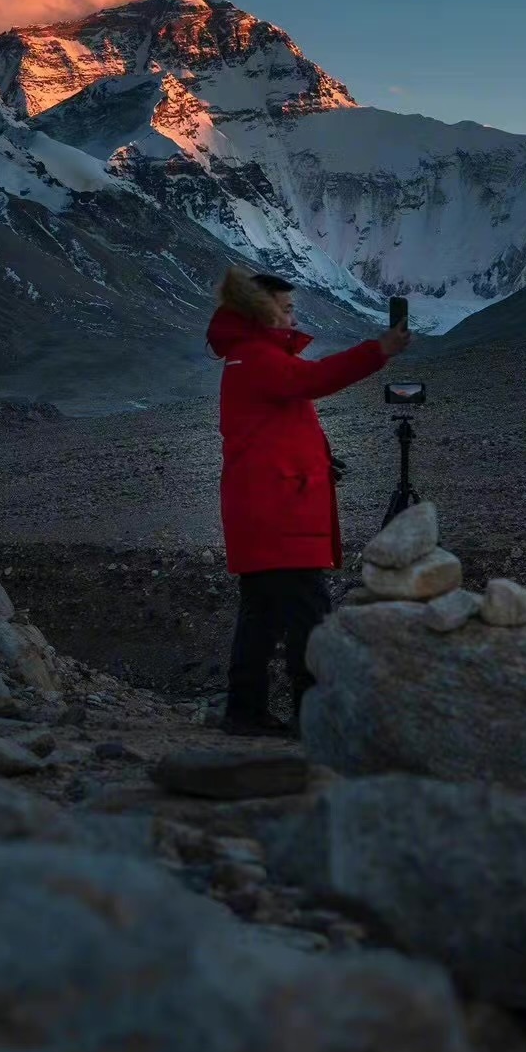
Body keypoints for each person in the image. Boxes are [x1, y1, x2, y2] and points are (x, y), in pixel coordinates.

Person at [205, 265, 412, 737]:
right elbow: (313, 380)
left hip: (267, 504)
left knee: (261, 612)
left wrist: (319, 460)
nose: (294, 317)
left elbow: (274, 429)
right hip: (279, 510)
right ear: (262, 312)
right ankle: (313, 714)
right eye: (287, 308)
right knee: (308, 613)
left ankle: (246, 710)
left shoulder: (249, 358)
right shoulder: (258, 358)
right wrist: (378, 351)